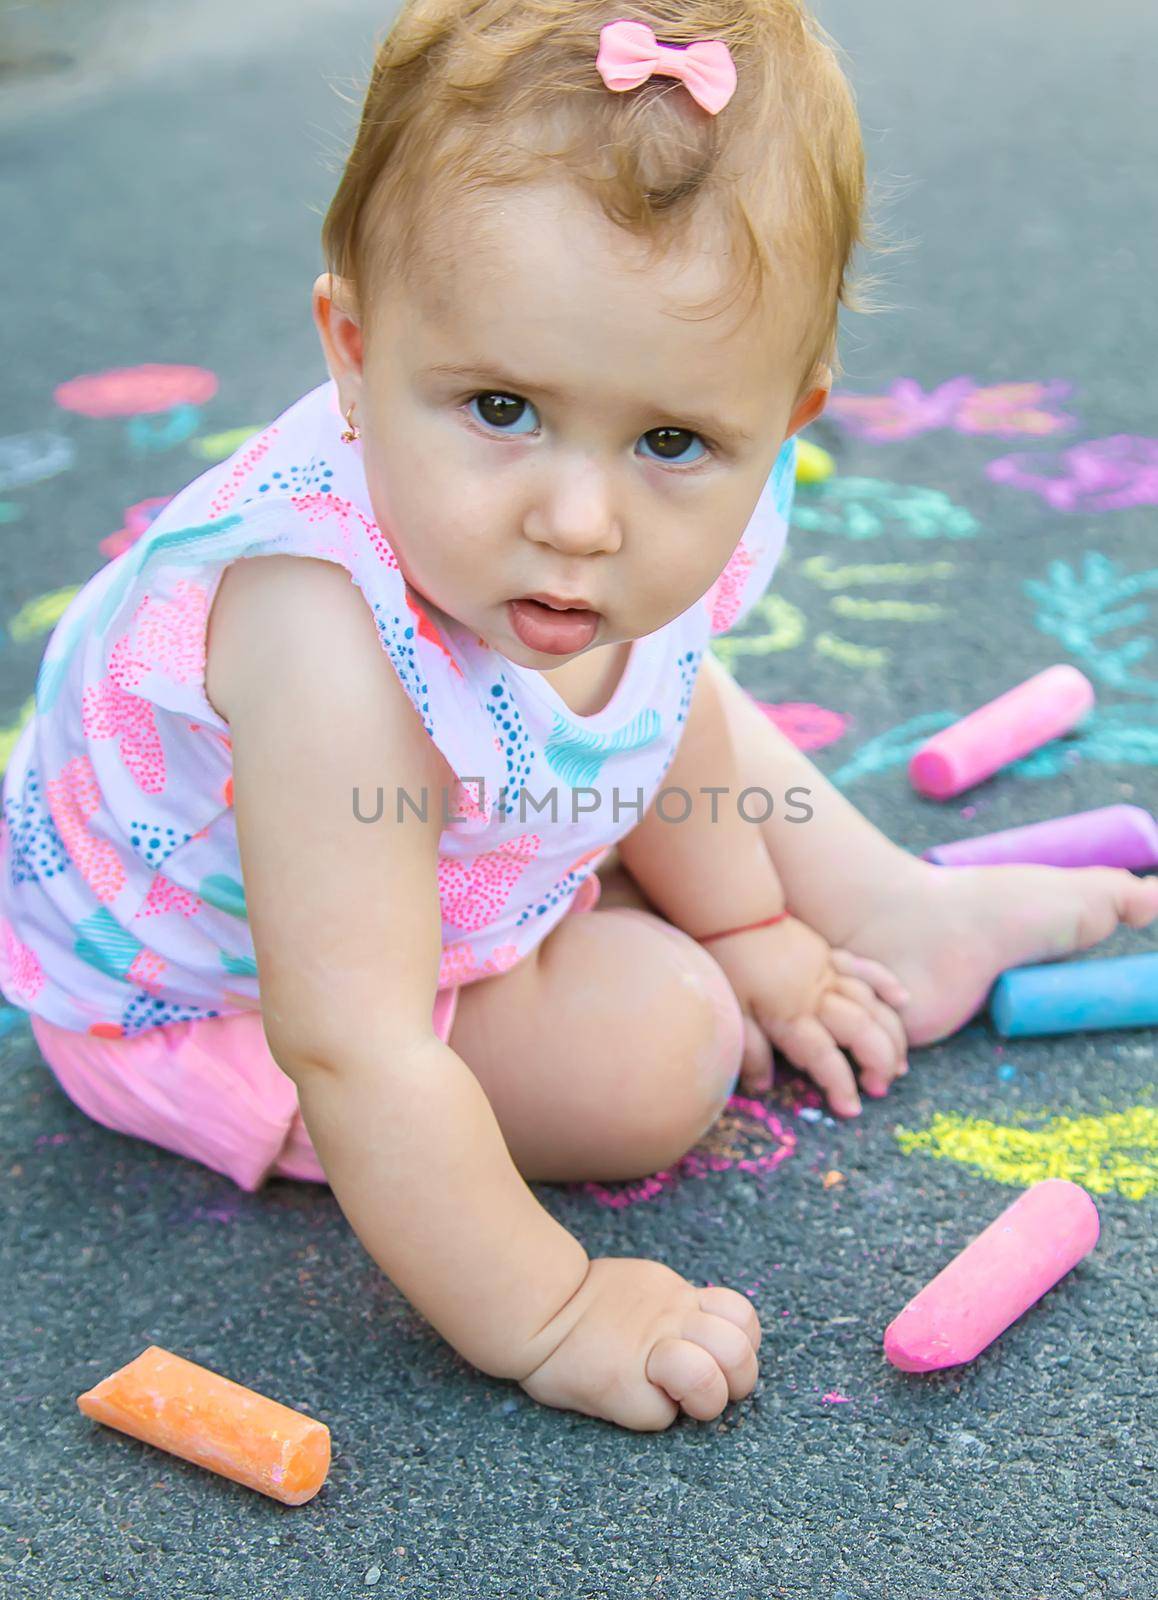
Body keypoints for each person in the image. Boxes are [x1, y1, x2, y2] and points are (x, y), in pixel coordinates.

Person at [2, 2, 1155, 1433]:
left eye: (672, 443)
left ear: (782, 417)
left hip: (432, 806)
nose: (576, 515)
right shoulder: (317, 642)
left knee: (641, 660)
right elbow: (353, 1044)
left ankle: (887, 903)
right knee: (657, 1046)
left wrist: (758, 925)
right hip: (216, 996)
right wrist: (545, 1309)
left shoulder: (621, 500)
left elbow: (669, 689)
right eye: (497, 406)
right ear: (352, 351)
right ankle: (588, 929)